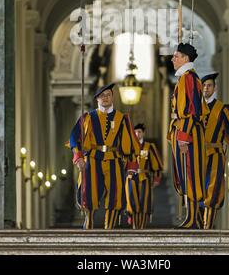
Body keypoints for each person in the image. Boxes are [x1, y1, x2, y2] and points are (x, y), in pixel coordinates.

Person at [69, 82, 140, 229]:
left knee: (115, 194)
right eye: (102, 96)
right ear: (97, 99)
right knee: (89, 193)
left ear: (113, 97)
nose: (105, 98)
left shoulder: (122, 118)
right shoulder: (87, 117)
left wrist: (132, 165)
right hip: (93, 158)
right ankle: (89, 224)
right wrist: (78, 157)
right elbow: (74, 138)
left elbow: (132, 143)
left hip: (114, 159)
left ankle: (110, 229)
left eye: (108, 95)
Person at [167, 43, 209, 229]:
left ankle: (193, 218)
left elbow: (190, 110)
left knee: (190, 173)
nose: (172, 59)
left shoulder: (188, 78)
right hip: (187, 130)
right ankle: (195, 217)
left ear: (185, 59)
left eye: (176, 56)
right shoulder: (185, 78)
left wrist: (183, 137)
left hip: (189, 132)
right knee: (187, 173)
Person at [201, 73, 229, 229]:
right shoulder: (194, 109)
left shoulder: (222, 109)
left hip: (215, 154)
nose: (206, 88)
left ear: (214, 88)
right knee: (197, 189)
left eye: (209, 85)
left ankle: (207, 227)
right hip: (198, 156)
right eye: (203, 85)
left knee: (214, 189)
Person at [125, 123, 163, 229]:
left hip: (144, 177)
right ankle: (134, 226)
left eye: (139, 132)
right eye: (135, 132)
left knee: (144, 203)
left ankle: (142, 227)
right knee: (132, 202)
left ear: (143, 133)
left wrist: (156, 178)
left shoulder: (149, 147)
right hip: (131, 178)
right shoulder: (128, 146)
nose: (137, 134)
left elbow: (157, 163)